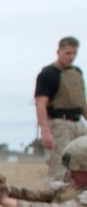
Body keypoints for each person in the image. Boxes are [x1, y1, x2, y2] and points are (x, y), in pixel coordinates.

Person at [35, 36, 85, 189]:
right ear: (59, 52)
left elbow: (81, 102)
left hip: (78, 123)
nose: (71, 57)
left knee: (82, 164)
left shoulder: (77, 73)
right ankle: (54, 206)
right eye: (68, 53)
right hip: (59, 124)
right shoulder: (48, 74)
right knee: (59, 168)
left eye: (74, 53)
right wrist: (46, 132)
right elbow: (40, 103)